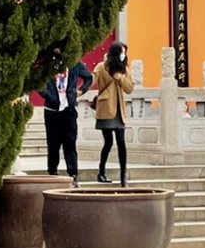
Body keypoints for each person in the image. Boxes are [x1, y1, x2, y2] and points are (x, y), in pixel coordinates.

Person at [39, 53, 92, 180]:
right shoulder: (48, 64)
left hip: (69, 110)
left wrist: (80, 91)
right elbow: (38, 82)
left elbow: (88, 78)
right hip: (52, 110)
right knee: (53, 144)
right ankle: (52, 171)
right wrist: (48, 95)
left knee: (70, 143)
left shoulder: (75, 64)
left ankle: (73, 174)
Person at [92, 41, 134, 185]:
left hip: (119, 111)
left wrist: (120, 77)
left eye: (125, 52)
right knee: (108, 142)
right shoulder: (102, 67)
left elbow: (129, 89)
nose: (124, 55)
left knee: (121, 143)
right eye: (122, 52)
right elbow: (92, 79)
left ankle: (123, 176)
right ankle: (101, 172)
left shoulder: (124, 70)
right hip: (106, 108)